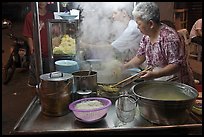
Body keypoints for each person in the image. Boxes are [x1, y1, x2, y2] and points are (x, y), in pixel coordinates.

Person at [123, 2, 195, 87]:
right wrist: (124, 67)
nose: (137, 27)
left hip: (176, 84)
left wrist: (156, 74)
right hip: (159, 80)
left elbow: (176, 65)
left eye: (139, 24)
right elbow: (140, 57)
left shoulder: (169, 38)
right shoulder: (146, 36)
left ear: (151, 24)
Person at [23, 2, 54, 87]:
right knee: (35, 82)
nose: (41, 2)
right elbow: (28, 35)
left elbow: (57, 33)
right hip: (37, 53)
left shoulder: (51, 15)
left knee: (49, 81)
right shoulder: (30, 16)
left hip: (49, 53)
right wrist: (32, 50)